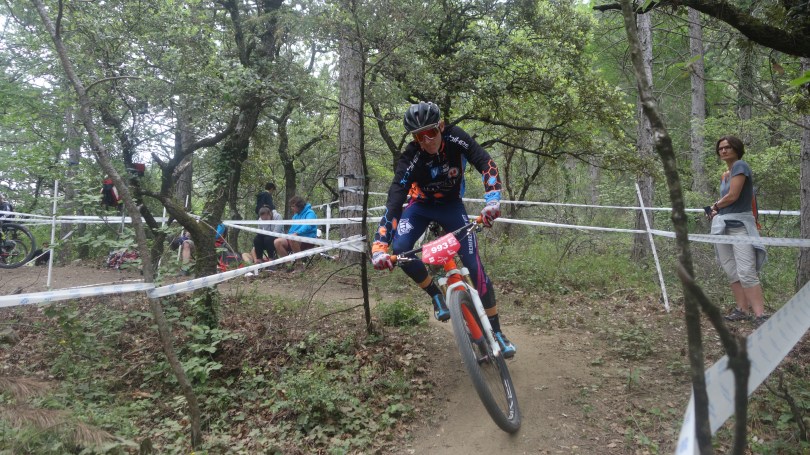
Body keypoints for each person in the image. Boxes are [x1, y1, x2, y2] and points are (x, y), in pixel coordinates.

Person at [370, 101, 514, 358]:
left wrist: (492, 200)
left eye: (431, 132)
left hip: (451, 206)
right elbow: (394, 201)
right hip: (420, 206)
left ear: (441, 126)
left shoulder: (455, 137)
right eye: (419, 136)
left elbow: (485, 162)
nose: (427, 140)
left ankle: (497, 332)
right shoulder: (411, 157)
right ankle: (435, 295)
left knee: (475, 267)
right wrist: (379, 246)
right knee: (401, 248)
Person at [707, 135, 768, 327]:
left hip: (740, 226)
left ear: (737, 149)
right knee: (731, 269)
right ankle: (742, 310)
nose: (723, 151)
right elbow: (727, 201)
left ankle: (760, 315)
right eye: (720, 148)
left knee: (746, 270)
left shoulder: (741, 166)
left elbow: (733, 196)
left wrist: (715, 205)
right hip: (723, 225)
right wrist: (715, 210)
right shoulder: (726, 173)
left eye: (728, 147)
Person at [274, 196, 318, 269]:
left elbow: (308, 225)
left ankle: (299, 264)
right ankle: (289, 265)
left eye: (293, 206)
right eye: (291, 206)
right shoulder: (295, 216)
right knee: (277, 242)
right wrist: (287, 236)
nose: (292, 208)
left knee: (293, 238)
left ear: (299, 205)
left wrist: (297, 233)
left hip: (308, 238)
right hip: (294, 238)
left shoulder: (310, 213)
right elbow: (292, 230)